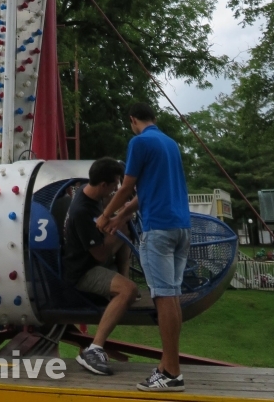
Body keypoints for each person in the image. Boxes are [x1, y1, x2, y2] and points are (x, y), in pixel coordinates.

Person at [97, 102, 190, 393]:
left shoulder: (139, 142)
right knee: (171, 295)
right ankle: (167, 365)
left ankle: (172, 374)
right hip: (181, 228)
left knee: (162, 298)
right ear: (156, 118)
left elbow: (126, 187)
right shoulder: (170, 144)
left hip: (158, 230)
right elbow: (145, 193)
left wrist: (103, 216)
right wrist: (120, 216)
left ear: (132, 119)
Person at [62, 157, 139, 375]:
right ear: (103, 185)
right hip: (83, 272)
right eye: (115, 184)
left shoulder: (90, 193)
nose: (117, 188)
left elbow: (108, 209)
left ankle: (124, 280)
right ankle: (94, 349)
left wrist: (120, 212)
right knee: (128, 291)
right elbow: (100, 254)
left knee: (122, 231)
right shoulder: (81, 212)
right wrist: (120, 228)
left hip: (92, 259)